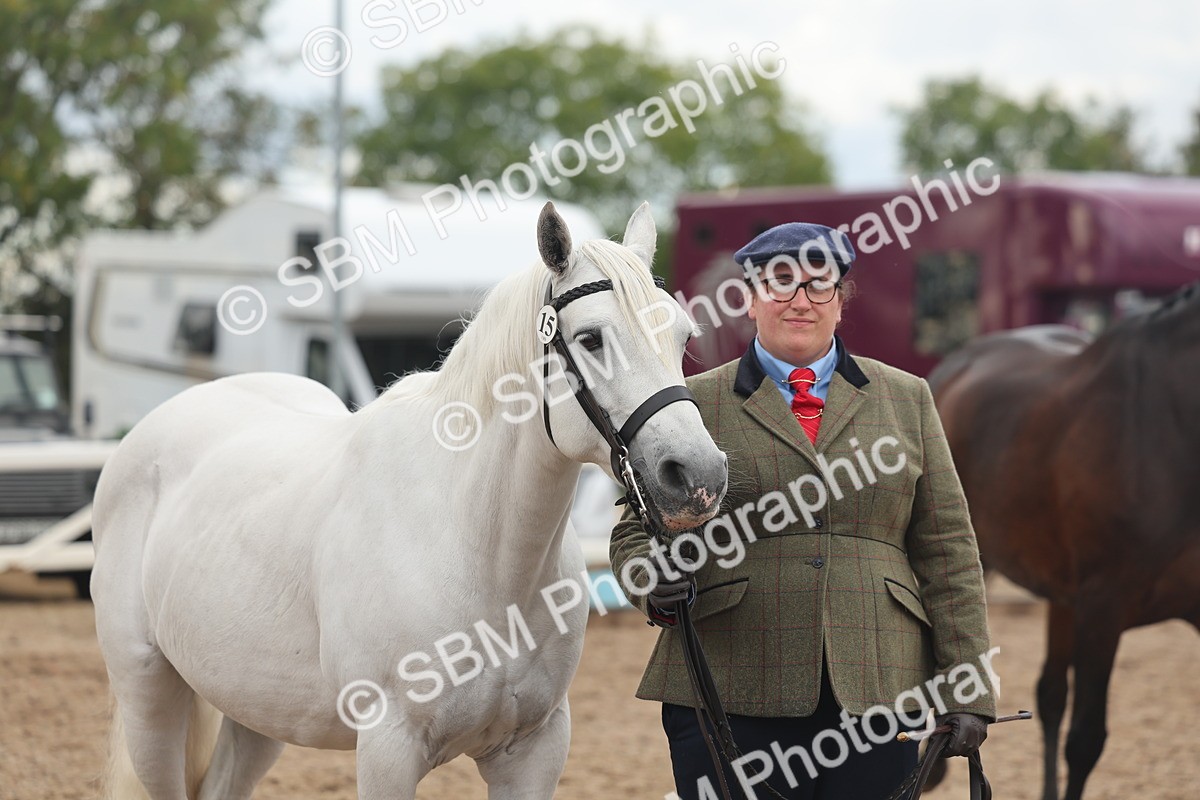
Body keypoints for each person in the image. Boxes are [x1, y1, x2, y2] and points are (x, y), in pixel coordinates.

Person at [609, 222, 996, 800]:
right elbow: (633, 532)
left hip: (874, 684)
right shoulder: (694, 400)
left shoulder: (908, 397)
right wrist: (648, 579)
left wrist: (968, 687)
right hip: (726, 682)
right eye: (780, 282)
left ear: (841, 299)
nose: (799, 300)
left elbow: (949, 553)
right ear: (750, 296)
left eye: (819, 284)